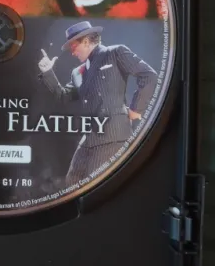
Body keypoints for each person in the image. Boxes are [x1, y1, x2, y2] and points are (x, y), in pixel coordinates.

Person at [38, 20, 158, 186]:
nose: (72, 52)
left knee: (93, 185)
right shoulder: (77, 72)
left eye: (73, 46)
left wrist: (136, 109)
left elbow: (149, 75)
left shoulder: (115, 52)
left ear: (86, 41)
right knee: (72, 182)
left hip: (114, 136)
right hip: (89, 137)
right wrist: (48, 73)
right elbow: (63, 96)